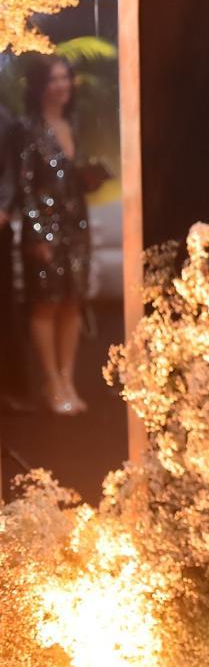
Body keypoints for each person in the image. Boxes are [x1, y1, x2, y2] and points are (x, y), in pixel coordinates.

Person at [18, 55, 93, 416]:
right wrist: (37, 233)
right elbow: (25, 187)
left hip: (76, 226)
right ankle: (50, 380)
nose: (62, 85)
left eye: (66, 78)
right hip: (44, 231)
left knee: (73, 302)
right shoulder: (28, 130)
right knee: (46, 303)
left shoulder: (73, 124)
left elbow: (73, 179)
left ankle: (67, 379)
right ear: (40, 86)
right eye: (54, 79)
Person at [0, 99, 33, 415]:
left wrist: (4, 210)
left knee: (3, 308)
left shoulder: (4, 119)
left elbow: (12, 171)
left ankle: (12, 387)